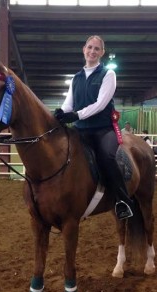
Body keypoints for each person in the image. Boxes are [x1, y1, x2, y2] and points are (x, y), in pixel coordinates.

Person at [54, 35, 133, 220]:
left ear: (102, 53)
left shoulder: (108, 74)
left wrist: (76, 115)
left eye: (96, 49)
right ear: (84, 49)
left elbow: (100, 104)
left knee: (107, 156)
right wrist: (59, 112)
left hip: (103, 129)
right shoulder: (76, 77)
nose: (92, 51)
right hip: (80, 129)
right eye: (90, 47)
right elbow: (69, 104)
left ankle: (122, 201)